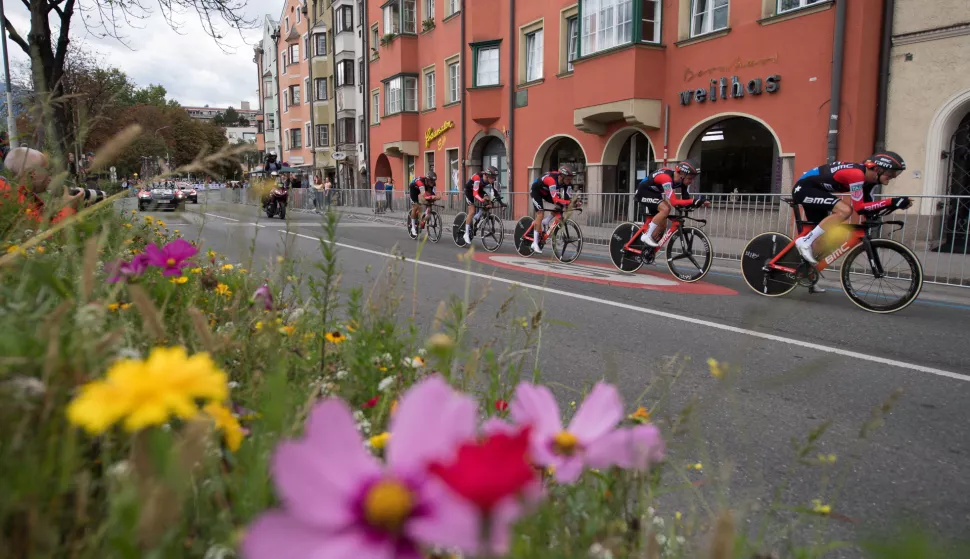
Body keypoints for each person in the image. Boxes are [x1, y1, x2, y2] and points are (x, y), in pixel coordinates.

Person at [792, 151, 912, 265]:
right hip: (804, 189)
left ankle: (806, 272)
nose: (893, 177)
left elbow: (868, 208)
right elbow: (859, 208)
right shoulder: (856, 174)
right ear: (877, 170)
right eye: (890, 173)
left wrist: (895, 205)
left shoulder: (869, 181)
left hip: (817, 191)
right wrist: (891, 201)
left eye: (895, 174)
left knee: (827, 241)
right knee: (845, 210)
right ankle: (805, 242)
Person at [1, 147, 84, 224]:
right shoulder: (12, 201)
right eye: (47, 170)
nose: (51, 176)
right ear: (32, 174)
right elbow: (46, 232)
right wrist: (68, 207)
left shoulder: (19, 196)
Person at [634, 159, 707, 246]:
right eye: (690, 178)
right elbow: (674, 202)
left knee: (662, 225)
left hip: (655, 194)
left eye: (693, 179)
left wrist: (698, 203)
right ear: (682, 175)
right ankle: (647, 236)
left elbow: (686, 199)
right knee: (666, 208)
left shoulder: (682, 182)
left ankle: (646, 248)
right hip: (643, 192)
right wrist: (693, 201)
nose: (691, 181)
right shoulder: (666, 179)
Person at [529, 166, 575, 254]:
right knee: (540, 214)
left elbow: (567, 199)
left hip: (546, 192)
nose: (569, 181)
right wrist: (569, 202)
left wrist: (575, 202)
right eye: (568, 179)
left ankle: (547, 220)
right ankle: (534, 243)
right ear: (561, 177)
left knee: (561, 205)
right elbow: (555, 200)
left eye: (570, 179)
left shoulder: (567, 183)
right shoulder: (551, 180)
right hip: (536, 191)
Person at [462, 166, 499, 245]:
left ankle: (477, 216)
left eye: (495, 178)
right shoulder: (477, 177)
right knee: (472, 211)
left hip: (479, 190)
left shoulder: (491, 180)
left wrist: (499, 201)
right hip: (469, 191)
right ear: (487, 176)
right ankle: (466, 234)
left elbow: (495, 192)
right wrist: (482, 200)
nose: (494, 180)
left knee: (488, 200)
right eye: (492, 178)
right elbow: (475, 194)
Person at [408, 171, 439, 236]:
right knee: (415, 206)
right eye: (431, 181)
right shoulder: (420, 182)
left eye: (433, 181)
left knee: (430, 203)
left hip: (423, 189)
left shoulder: (433, 184)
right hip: (414, 189)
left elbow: (433, 194)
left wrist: (434, 198)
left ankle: (423, 219)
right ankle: (413, 227)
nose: (432, 183)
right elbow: (424, 195)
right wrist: (432, 197)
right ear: (427, 179)